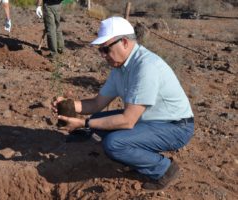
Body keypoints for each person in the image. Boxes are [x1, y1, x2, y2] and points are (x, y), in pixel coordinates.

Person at [52, 16, 194, 190]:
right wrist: (68, 105)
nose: (103, 55)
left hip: (176, 127)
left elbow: (127, 120)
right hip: (149, 120)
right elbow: (97, 103)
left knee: (114, 143)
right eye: (100, 50)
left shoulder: (146, 67)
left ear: (125, 42)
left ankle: (164, 169)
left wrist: (83, 123)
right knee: (98, 121)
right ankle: (140, 159)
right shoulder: (120, 68)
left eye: (106, 49)